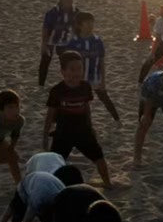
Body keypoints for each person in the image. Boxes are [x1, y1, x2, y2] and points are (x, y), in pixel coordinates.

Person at [44, 51, 113, 188]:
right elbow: (50, 113)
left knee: (99, 157)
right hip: (63, 133)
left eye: (80, 69)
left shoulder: (85, 87)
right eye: (72, 69)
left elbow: (87, 107)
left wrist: (91, 126)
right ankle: (52, 186)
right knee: (55, 162)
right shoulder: (57, 91)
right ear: (63, 71)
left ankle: (108, 183)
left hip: (83, 131)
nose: (76, 73)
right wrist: (45, 134)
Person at [3, 166, 81, 222]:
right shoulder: (38, 200)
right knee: (17, 221)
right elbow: (26, 221)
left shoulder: (64, 199)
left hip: (48, 184)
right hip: (26, 186)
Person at [64, 11, 120, 122]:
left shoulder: (97, 41)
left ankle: (117, 120)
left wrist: (103, 80)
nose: (91, 25)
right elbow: (67, 63)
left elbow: (102, 61)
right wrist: (69, 78)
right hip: (79, 79)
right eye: (87, 23)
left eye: (92, 22)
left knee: (104, 98)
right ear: (80, 25)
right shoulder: (73, 43)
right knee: (79, 101)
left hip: (95, 77)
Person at [39, 0, 77, 87]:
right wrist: (44, 44)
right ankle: (41, 85)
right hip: (51, 40)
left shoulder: (75, 11)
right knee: (45, 61)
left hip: (65, 41)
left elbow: (76, 28)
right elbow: (45, 29)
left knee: (66, 62)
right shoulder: (53, 12)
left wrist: (75, 42)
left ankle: (68, 83)